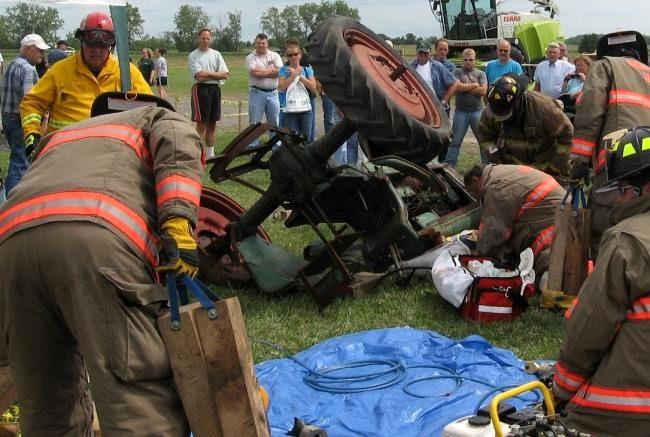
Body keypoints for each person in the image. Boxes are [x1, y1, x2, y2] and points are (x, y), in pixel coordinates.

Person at [0, 104, 203, 435]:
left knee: (44, 395)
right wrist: (179, 223)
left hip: (10, 248)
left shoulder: (62, 137)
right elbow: (178, 143)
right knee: (132, 393)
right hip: (92, 240)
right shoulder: (158, 117)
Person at [553, 126, 650, 436]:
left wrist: (562, 390)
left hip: (631, 411)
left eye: (622, 190)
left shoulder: (628, 240)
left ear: (644, 190)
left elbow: (590, 326)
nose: (618, 200)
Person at [567, 30, 650, 255]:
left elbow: (589, 113)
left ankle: (605, 274)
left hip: (618, 159)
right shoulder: (648, 73)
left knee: (604, 218)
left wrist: (580, 161)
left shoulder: (604, 67)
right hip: (647, 160)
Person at [20, 12, 151, 146]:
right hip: (64, 153)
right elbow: (32, 102)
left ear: (111, 45)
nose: (97, 50)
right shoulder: (60, 71)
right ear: (81, 42)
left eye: (102, 46)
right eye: (91, 45)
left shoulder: (127, 73)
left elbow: (150, 111)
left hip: (112, 154)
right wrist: (32, 134)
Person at [464, 164, 564, 275]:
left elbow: (495, 229)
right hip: (561, 212)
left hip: (556, 226)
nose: (473, 195)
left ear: (475, 180)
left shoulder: (496, 188)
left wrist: (479, 252)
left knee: (547, 274)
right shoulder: (501, 172)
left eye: (471, 190)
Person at [478, 75, 573, 180]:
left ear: (517, 101)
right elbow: (486, 140)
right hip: (511, 171)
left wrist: (555, 168)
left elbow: (567, 136)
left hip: (545, 170)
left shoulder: (545, 109)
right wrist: (497, 160)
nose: (503, 119)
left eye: (506, 114)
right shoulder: (491, 111)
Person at [1, 34, 49, 195]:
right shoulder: (28, 69)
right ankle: (13, 199)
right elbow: (30, 101)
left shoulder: (12, 64)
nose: (42, 54)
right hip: (20, 120)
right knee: (20, 162)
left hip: (7, 118)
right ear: (29, 49)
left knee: (16, 156)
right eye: (39, 50)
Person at [188, 28, 229, 158]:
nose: (206, 40)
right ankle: (197, 154)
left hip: (215, 90)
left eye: (208, 38)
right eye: (203, 38)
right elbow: (199, 77)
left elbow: (225, 75)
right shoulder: (193, 55)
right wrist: (216, 74)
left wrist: (207, 73)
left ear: (210, 39)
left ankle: (210, 156)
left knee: (212, 125)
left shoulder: (216, 54)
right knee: (201, 125)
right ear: (198, 39)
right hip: (201, 90)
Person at [444, 48, 487, 167]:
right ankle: (449, 167)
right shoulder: (457, 72)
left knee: (483, 141)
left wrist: (464, 87)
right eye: (466, 60)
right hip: (461, 112)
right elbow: (456, 88)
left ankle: (487, 167)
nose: (468, 62)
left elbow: (483, 91)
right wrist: (474, 85)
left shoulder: (481, 73)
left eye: (471, 59)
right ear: (463, 60)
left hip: (477, 111)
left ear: (475, 60)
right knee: (455, 141)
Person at [246, 33, 283, 130]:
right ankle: (253, 145)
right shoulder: (250, 57)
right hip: (256, 93)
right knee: (254, 122)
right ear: (255, 43)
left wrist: (262, 71)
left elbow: (280, 72)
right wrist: (272, 70)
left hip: (273, 94)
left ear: (267, 44)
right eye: (259, 43)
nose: (261, 45)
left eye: (263, 43)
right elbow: (256, 74)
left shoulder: (275, 56)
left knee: (274, 122)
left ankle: (275, 145)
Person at [278, 48, 316, 139]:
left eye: (295, 54)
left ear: (300, 55)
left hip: (306, 110)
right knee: (290, 140)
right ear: (287, 57)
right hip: (289, 111)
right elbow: (281, 87)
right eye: (290, 55)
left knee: (305, 139)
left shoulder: (307, 70)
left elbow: (313, 86)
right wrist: (293, 75)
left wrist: (300, 76)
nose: (293, 57)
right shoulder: (283, 70)